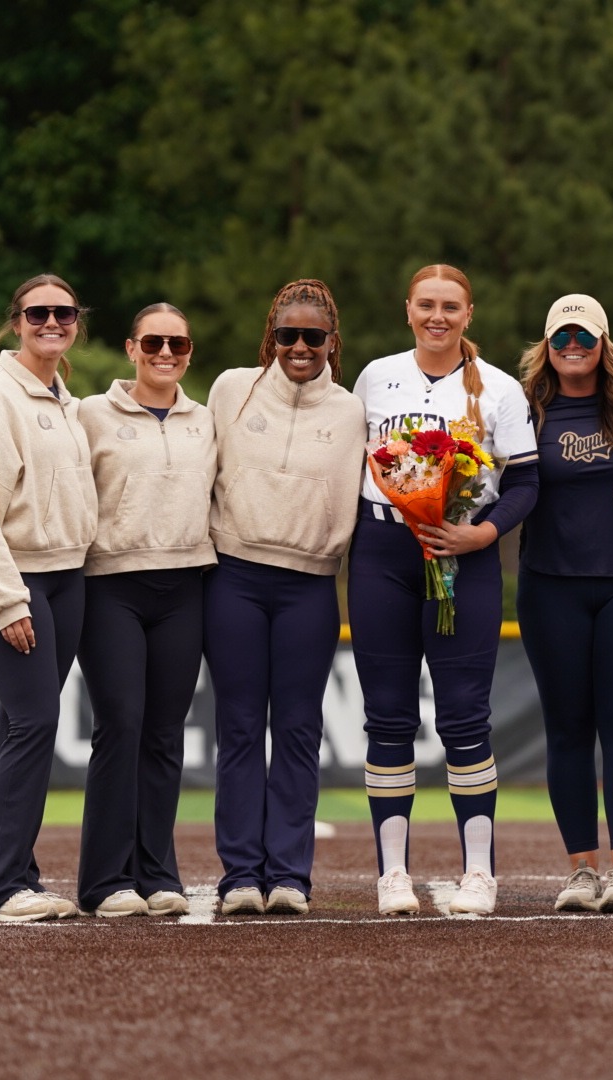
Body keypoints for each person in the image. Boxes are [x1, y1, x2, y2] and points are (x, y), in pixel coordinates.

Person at [350, 263, 538, 916]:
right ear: (407, 310)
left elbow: (525, 484)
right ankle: (392, 874)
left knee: (463, 715)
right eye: (426, 304)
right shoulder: (376, 376)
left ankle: (479, 873)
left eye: (450, 306)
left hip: (463, 555)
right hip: (381, 552)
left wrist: (481, 536)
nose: (438, 316)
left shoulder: (501, 391)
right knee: (389, 716)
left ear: (469, 313)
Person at [206, 279, 366, 917]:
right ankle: (241, 873)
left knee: (298, 731)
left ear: (332, 342)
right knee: (240, 729)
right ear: (270, 336)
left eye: (313, 337)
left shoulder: (352, 410)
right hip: (234, 577)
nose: (299, 347)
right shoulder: (228, 390)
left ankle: (290, 876)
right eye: (287, 335)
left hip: (310, 584)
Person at [0, 274, 97, 924]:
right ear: (16, 321)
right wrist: (8, 601)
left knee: (22, 725)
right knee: (34, 723)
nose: (52, 322)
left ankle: (14, 876)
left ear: (76, 324)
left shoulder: (68, 402)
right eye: (39, 312)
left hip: (67, 578)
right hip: (16, 580)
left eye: (63, 312)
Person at [515, 294, 613, 914]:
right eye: (561, 337)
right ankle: (581, 870)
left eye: (584, 336)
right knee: (568, 728)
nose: (572, 346)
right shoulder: (522, 407)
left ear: (604, 342)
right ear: (545, 345)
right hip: (550, 583)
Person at [73, 304, 216, 919]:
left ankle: (157, 873)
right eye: (154, 342)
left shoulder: (206, 420)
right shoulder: (88, 415)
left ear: (189, 351)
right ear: (131, 347)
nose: (166, 353)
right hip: (111, 586)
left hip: (185, 587)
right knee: (121, 725)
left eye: (178, 345)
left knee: (164, 735)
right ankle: (104, 880)